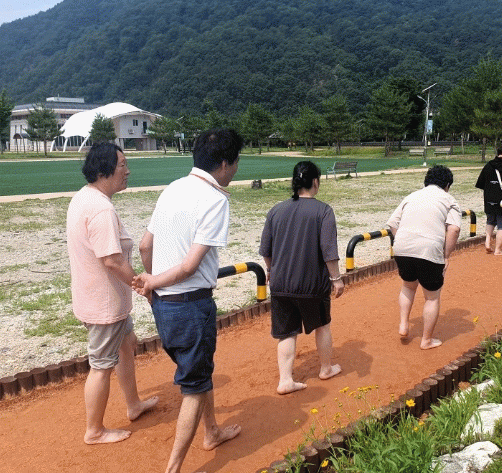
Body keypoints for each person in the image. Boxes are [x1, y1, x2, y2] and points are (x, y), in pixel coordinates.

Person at [132, 129, 243, 473]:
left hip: (164, 307)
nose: (236, 168)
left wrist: (153, 285)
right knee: (193, 387)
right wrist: (153, 281)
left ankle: (212, 431)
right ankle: (174, 468)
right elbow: (189, 265)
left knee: (198, 372)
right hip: (191, 306)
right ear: (224, 164)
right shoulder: (215, 199)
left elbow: (145, 246)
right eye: (236, 161)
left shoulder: (173, 188)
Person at [66, 142, 158, 445]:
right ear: (104, 170)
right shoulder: (101, 208)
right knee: (101, 365)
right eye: (122, 165)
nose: (127, 171)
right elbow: (112, 260)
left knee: (127, 343)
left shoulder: (85, 197)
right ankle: (94, 430)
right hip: (104, 304)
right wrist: (142, 285)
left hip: (100, 298)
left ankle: (133, 404)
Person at [259, 161, 345, 395]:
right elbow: (329, 250)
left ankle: (285, 380)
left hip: (281, 284)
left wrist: (271, 269)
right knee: (322, 325)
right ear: (315, 182)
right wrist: (336, 278)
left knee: (286, 332)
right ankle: (326, 368)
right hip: (312, 285)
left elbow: (266, 250)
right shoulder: (323, 211)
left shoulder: (276, 210)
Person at [387, 165, 461, 350]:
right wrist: (446, 255)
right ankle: (426, 340)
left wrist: (403, 241)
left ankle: (404, 325)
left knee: (408, 286)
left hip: (401, 247)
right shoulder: (449, 200)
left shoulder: (411, 196)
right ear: (447, 185)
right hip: (429, 249)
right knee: (432, 297)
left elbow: (393, 223)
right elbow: (454, 229)